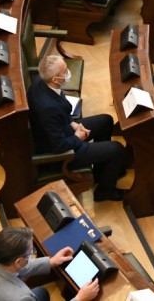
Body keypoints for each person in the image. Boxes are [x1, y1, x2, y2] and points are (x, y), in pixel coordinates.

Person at [27, 55, 127, 202]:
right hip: (62, 154)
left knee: (106, 121)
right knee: (117, 149)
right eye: (65, 70)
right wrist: (77, 137)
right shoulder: (48, 108)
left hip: (64, 130)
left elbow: (62, 111)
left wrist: (73, 124)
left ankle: (102, 174)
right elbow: (58, 145)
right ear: (55, 79)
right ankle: (105, 192)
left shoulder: (41, 81)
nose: (68, 72)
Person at [0, 226, 99, 301]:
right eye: (30, 252)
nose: (31, 254)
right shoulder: (22, 298)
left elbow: (15, 266)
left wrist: (50, 261)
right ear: (18, 261)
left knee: (41, 293)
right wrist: (80, 298)